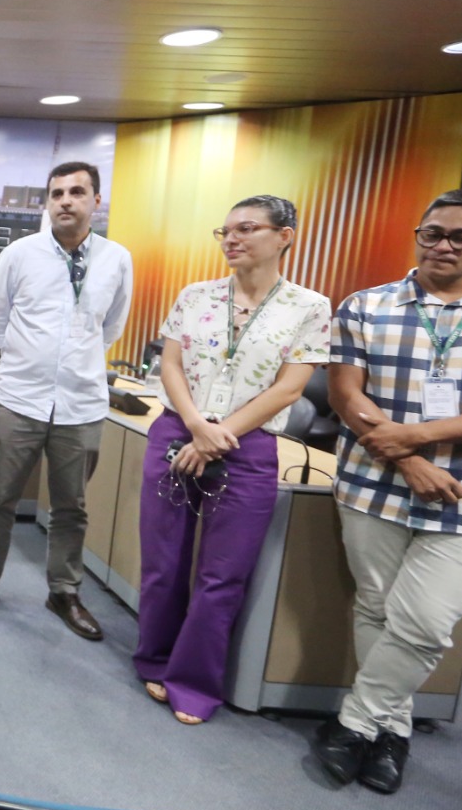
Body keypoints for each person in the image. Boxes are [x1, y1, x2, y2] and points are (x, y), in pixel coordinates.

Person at [313, 188, 462, 794]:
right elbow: (345, 394)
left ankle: (355, 722)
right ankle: (393, 731)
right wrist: (410, 459)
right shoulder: (367, 305)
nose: (442, 245)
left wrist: (415, 435)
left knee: (424, 626)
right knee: (377, 607)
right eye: (432, 233)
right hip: (373, 482)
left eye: (460, 236)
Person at [134, 196, 330, 725]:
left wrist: (220, 433)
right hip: (179, 431)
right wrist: (198, 426)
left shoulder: (308, 307)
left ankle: (194, 682)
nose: (231, 240)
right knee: (163, 561)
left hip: (248, 446)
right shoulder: (196, 295)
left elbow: (291, 387)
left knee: (223, 575)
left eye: (246, 229)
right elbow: (170, 363)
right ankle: (153, 658)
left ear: (285, 235)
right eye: (224, 231)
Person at [0, 161, 133, 640]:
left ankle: (64, 591)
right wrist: (34, 360)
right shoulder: (20, 253)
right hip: (19, 398)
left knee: (72, 506)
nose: (65, 200)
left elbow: (111, 327)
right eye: (57, 193)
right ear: (48, 202)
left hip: (81, 403)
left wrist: (70, 361)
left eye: (77, 192)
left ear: (95, 200)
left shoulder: (116, 259)